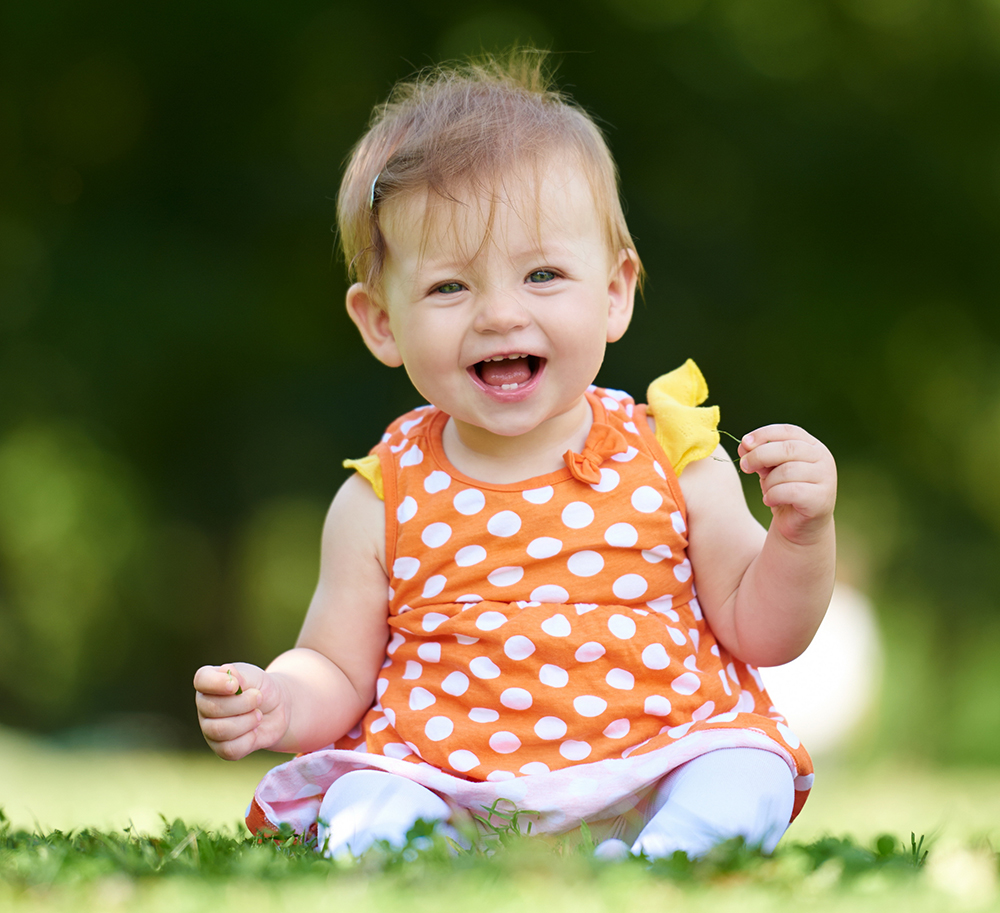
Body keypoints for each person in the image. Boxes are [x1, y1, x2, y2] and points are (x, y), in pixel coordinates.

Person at [193, 52, 836, 861]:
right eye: (449, 288)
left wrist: (801, 536)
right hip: (447, 778)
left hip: (655, 765)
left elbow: (760, 627)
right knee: (367, 794)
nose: (500, 314)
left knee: (748, 768)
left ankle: (664, 856)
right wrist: (278, 699)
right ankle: (420, 854)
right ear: (381, 322)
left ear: (614, 293)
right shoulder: (383, 494)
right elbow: (335, 664)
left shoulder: (675, 455)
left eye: (542, 274)